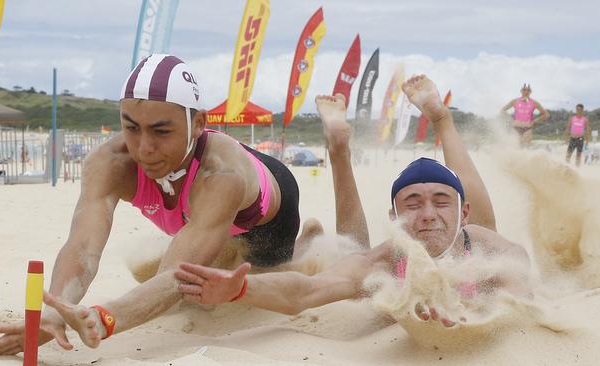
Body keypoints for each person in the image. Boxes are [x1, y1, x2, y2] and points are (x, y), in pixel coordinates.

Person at [0, 54, 323, 355]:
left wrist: (104, 319)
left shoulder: (223, 174)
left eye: (161, 132)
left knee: (257, 289)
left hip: (266, 217)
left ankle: (307, 241)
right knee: (200, 284)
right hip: (198, 218)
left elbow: (176, 276)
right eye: (131, 128)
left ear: (199, 124)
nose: (144, 147)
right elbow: (83, 247)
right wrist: (57, 310)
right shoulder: (110, 162)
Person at [175, 75, 530, 328]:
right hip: (389, 272)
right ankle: (339, 150)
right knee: (352, 255)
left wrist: (475, 319)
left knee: (478, 224)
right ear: (393, 216)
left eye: (440, 202)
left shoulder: (493, 251)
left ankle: (441, 120)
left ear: (460, 212)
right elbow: (308, 292)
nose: (426, 215)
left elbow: (522, 303)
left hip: (473, 237)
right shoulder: (388, 259)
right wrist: (241, 289)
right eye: (411, 204)